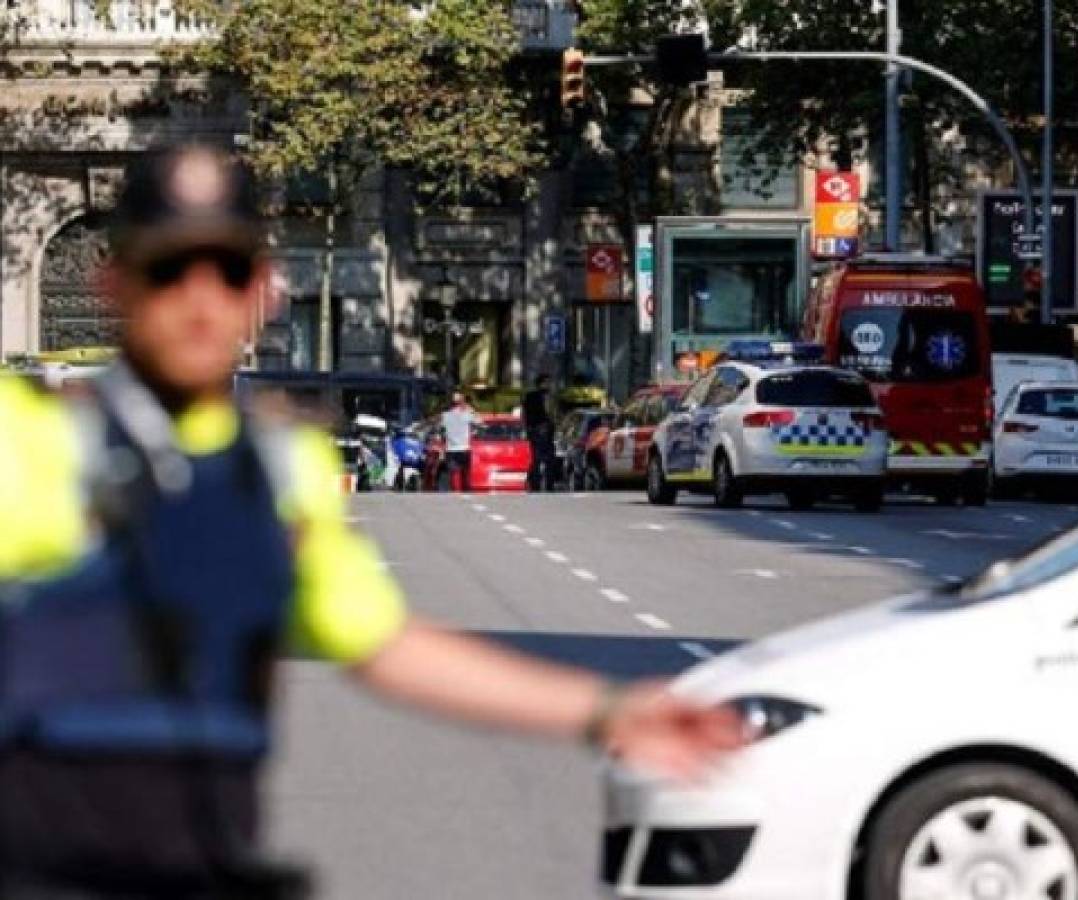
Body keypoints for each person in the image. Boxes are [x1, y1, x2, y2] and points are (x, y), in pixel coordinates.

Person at [0, 145, 742, 896]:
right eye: (167, 270)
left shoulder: (283, 468)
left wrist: (607, 710)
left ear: (260, 287)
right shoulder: (27, 442)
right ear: (115, 282)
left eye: (225, 272)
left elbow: (383, 644)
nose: (199, 301)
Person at [522, 373, 556, 492]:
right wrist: (532, 428)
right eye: (547, 382)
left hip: (547, 432)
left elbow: (553, 415)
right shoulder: (532, 397)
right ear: (541, 383)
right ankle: (534, 483)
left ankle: (549, 484)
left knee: (549, 459)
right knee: (537, 458)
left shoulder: (550, 397)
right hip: (537, 430)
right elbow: (528, 415)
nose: (549, 385)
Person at [439, 391, 478, 491]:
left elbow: (441, 430)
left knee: (453, 474)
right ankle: (465, 490)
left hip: (451, 449)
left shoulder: (445, 416)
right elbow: (480, 422)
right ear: (462, 403)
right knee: (465, 474)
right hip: (464, 448)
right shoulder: (467, 414)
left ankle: (455, 493)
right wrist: (471, 410)